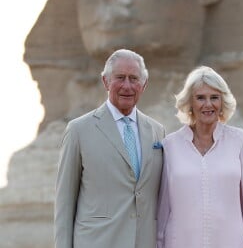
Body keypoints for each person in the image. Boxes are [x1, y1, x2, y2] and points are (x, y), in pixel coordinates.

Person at [54, 49, 165, 248]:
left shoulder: (158, 131)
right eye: (120, 78)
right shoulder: (79, 130)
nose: (127, 86)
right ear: (105, 81)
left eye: (134, 79)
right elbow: (64, 203)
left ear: (144, 84)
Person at [156, 66, 243, 248]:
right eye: (200, 98)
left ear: (222, 102)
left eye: (214, 97)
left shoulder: (238, 140)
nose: (208, 104)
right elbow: (163, 207)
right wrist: (158, 242)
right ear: (190, 103)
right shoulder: (170, 145)